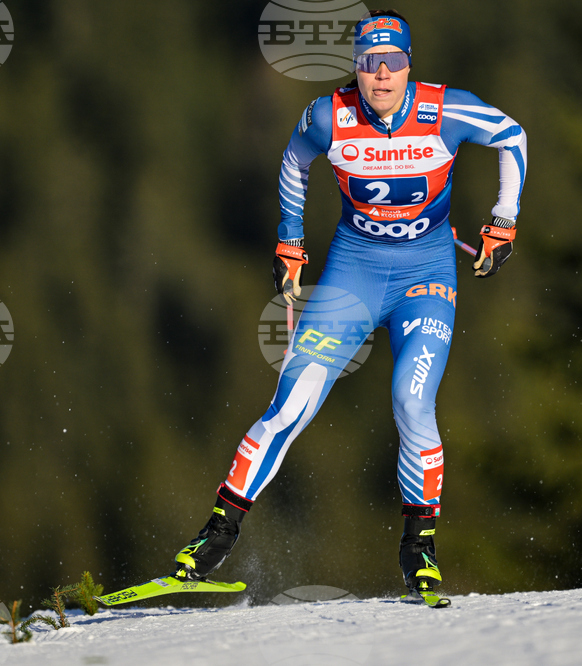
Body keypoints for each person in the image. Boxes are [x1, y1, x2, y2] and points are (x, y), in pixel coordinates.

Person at [172, 9, 527, 599]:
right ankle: (214, 535)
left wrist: (504, 223)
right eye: (369, 64)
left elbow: (511, 134)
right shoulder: (326, 117)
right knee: (291, 404)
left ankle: (420, 547)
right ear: (356, 69)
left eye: (393, 63)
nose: (381, 75)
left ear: (409, 66)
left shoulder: (446, 109)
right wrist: (290, 239)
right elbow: (293, 162)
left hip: (427, 274)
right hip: (352, 274)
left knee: (411, 401)